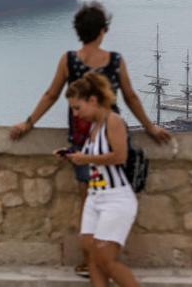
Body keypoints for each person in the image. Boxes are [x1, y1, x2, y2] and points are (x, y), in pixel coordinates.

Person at [9, 1, 169, 277]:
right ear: (102, 31)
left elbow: (51, 94)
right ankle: (106, 257)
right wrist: (150, 127)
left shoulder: (69, 59)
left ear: (78, 31)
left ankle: (89, 260)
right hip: (113, 134)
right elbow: (130, 97)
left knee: (88, 198)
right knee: (117, 191)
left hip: (82, 137)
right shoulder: (115, 60)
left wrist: (28, 122)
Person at [61, 73, 139, 287]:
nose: (75, 114)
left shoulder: (113, 122)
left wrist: (85, 158)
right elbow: (95, 160)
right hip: (95, 198)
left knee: (105, 260)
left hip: (116, 199)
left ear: (92, 100)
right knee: (92, 257)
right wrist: (73, 157)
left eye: (77, 107)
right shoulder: (94, 127)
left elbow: (120, 156)